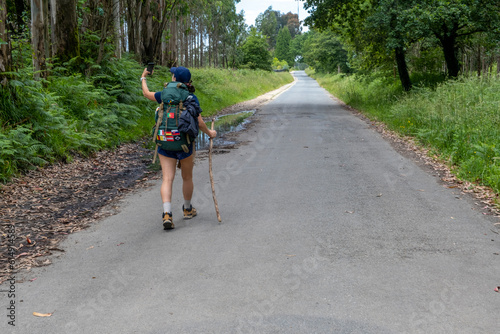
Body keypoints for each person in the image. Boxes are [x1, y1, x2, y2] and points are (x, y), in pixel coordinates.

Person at [141, 66, 217, 230]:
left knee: (167, 178)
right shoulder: (190, 97)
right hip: (183, 142)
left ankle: (167, 214)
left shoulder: (164, 95)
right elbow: (199, 122)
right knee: (187, 177)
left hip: (164, 140)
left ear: (174, 78)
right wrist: (210, 133)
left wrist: (143, 78)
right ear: (188, 81)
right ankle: (188, 209)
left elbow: (146, 94)